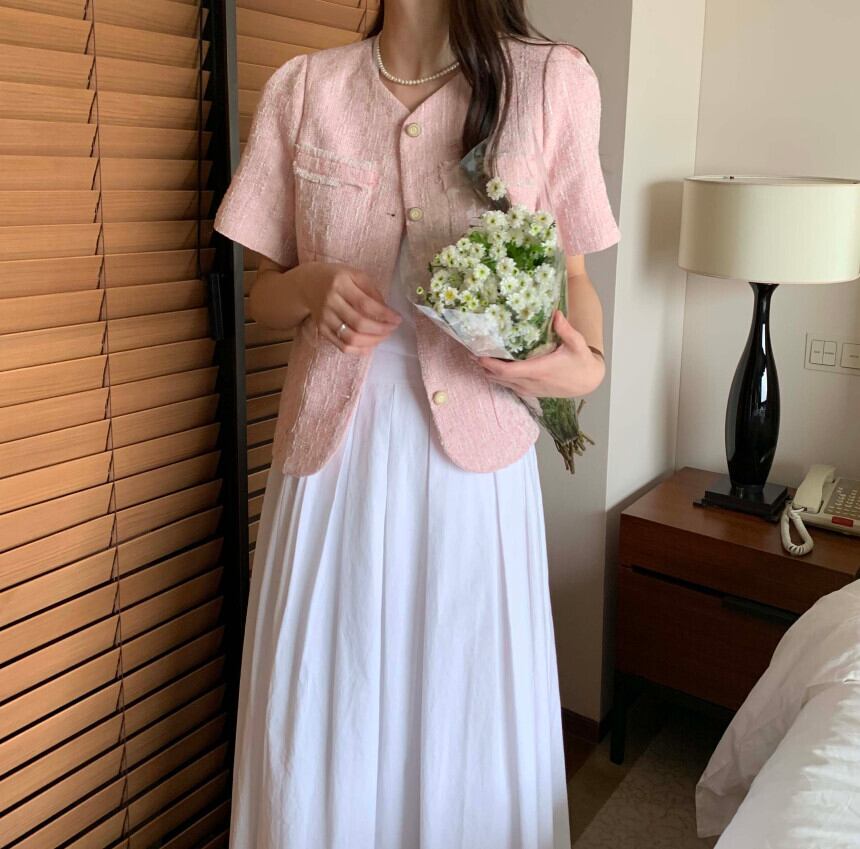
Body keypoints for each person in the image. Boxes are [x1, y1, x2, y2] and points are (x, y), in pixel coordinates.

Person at [213, 0, 620, 846]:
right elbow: (262, 294)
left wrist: (584, 364)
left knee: (463, 718)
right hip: (331, 467)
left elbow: (575, 277)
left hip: (473, 478)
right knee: (325, 704)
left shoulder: (550, 82)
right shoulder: (304, 89)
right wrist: (311, 286)